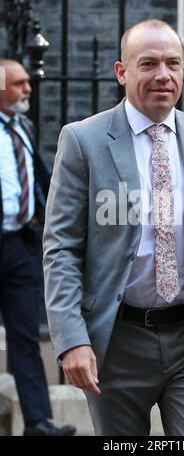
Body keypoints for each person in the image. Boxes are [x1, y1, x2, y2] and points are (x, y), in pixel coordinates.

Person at [43, 20, 184, 436]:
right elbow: (61, 248)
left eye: (173, 63)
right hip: (117, 342)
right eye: (149, 63)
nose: (164, 75)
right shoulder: (83, 141)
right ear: (122, 72)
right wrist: (71, 338)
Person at [0, 59, 76, 436]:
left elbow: (40, 177)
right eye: (18, 83)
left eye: (27, 82)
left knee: (25, 334)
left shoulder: (23, 128)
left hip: (20, 246)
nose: (27, 89)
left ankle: (38, 423)